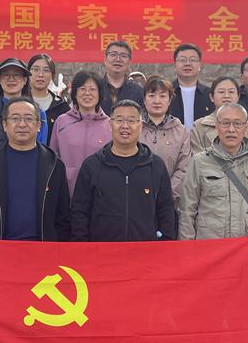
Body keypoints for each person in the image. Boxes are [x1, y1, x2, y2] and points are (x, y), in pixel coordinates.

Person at [71, 99, 176, 242]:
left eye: (131, 120)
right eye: (119, 120)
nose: (125, 126)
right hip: (101, 250)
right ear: (110, 124)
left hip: (145, 250)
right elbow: (80, 212)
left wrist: (165, 244)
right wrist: (82, 246)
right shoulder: (92, 165)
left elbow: (166, 212)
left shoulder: (156, 166)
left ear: (140, 125)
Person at [0, 97, 71, 241]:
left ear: (39, 125)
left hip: (43, 246)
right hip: (1, 244)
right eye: (15, 118)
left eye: (29, 119)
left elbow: (63, 213)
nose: (22, 124)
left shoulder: (54, 164)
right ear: (4, 125)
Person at [179, 103, 248, 242]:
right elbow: (187, 210)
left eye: (237, 124)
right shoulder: (199, 162)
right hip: (210, 245)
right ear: (216, 127)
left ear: (246, 128)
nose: (231, 129)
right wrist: (188, 247)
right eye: (225, 123)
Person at [49, 71, 112, 196]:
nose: (87, 93)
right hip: (67, 191)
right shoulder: (62, 121)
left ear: (99, 94)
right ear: (75, 93)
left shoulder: (110, 125)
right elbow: (53, 157)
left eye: (92, 89)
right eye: (82, 89)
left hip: (100, 193)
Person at [0, 58, 48, 161]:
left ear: (25, 80)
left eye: (16, 75)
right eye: (6, 75)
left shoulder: (38, 112)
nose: (11, 79)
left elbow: (41, 147)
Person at [141, 75, 191, 203]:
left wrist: (166, 193)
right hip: (136, 198)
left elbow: (184, 168)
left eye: (162, 96)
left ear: (169, 100)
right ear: (144, 100)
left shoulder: (181, 131)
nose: (157, 101)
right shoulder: (133, 128)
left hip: (170, 200)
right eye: (152, 96)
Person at [189, 76, 248, 154]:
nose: (226, 96)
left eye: (231, 92)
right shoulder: (199, 126)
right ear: (211, 97)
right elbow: (197, 158)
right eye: (221, 92)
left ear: (238, 97)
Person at [169, 43, 215, 132]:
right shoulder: (166, 93)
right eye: (182, 60)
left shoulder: (210, 94)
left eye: (192, 60)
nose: (187, 63)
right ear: (174, 66)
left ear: (200, 65)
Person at [27, 53, 69, 143]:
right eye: (36, 69)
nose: (40, 74)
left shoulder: (61, 107)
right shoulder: (19, 103)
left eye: (46, 70)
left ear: (52, 76)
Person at [98, 40, 145, 115]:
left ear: (129, 62)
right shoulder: (95, 88)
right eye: (113, 55)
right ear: (105, 60)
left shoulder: (138, 91)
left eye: (123, 56)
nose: (118, 59)